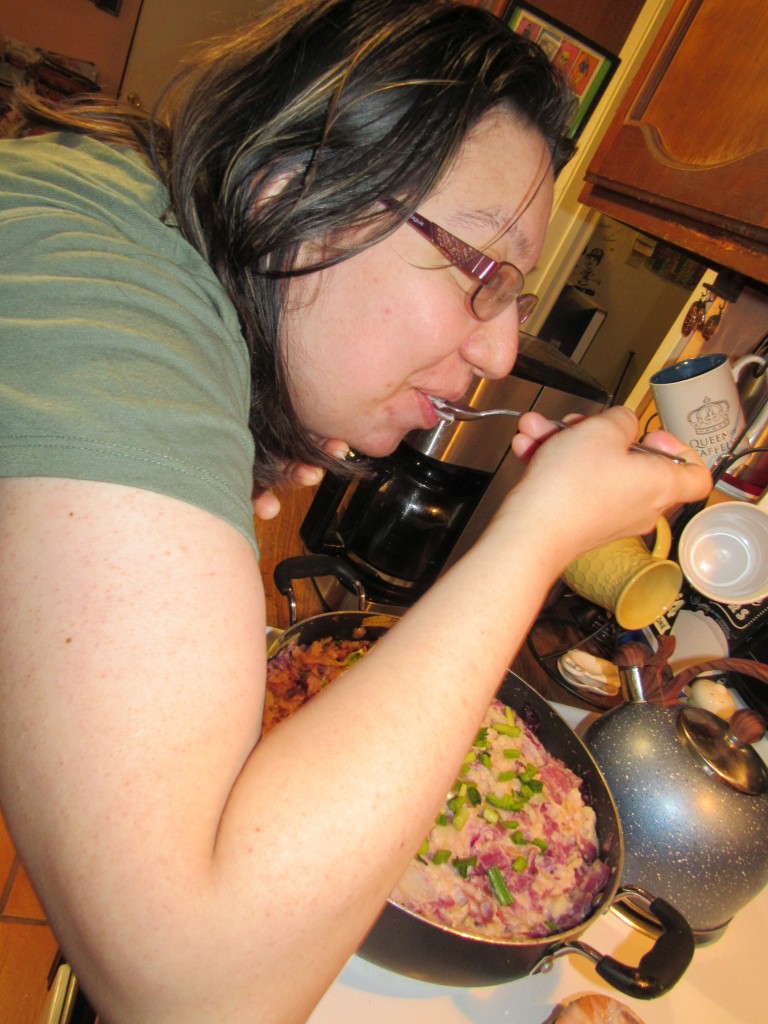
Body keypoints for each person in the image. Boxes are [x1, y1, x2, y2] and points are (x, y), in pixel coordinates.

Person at [0, 2, 710, 1022]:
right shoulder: (106, 303)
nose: (500, 351)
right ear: (294, 189)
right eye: (482, 270)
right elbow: (196, 991)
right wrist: (537, 534)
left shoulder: (133, 230)